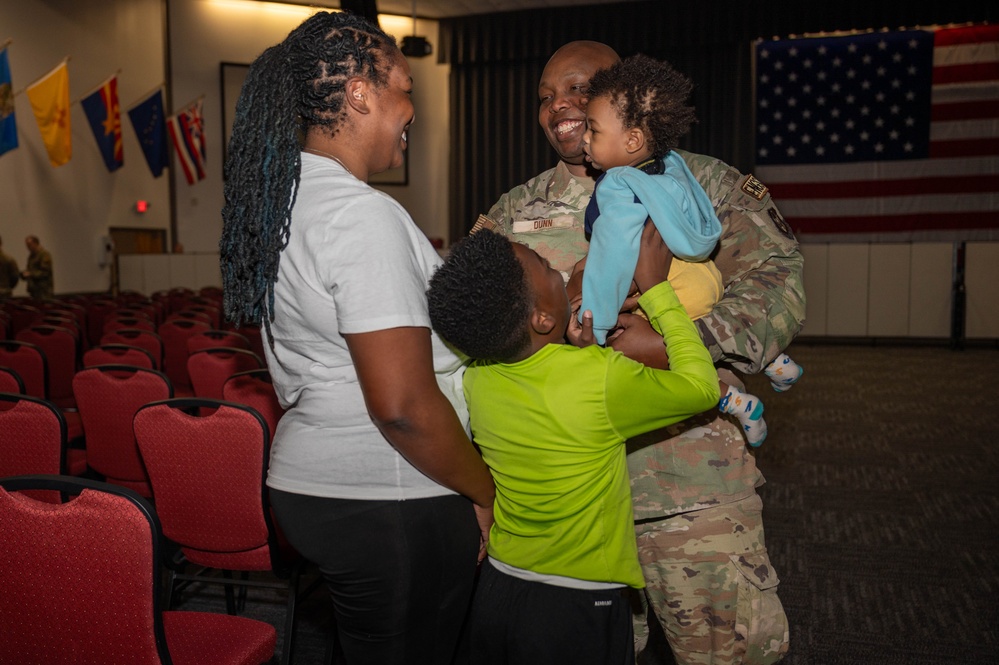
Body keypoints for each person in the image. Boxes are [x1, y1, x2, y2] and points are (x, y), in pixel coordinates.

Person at [483, 40, 800, 664]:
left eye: (577, 88)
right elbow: (473, 327)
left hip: (692, 490)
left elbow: (778, 283)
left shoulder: (699, 184)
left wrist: (677, 343)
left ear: (623, 93)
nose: (559, 107)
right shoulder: (514, 214)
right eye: (546, 97)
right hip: (573, 506)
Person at [218, 12, 494, 665]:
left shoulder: (283, 202)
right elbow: (400, 404)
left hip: (314, 482)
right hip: (387, 491)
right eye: (403, 85)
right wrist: (484, 490)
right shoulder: (361, 216)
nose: (411, 107)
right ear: (361, 94)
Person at [428, 226, 720, 665]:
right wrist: (659, 290)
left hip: (498, 587)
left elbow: (538, 372)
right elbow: (701, 388)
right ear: (542, 319)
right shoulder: (599, 377)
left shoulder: (478, 378)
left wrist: (574, 346)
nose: (562, 272)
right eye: (548, 269)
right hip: (577, 602)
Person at [579, 54, 806, 447]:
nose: (583, 133)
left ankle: (734, 399)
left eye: (592, 127)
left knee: (671, 362)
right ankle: (774, 362)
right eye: (545, 96)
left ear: (631, 138)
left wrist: (596, 324)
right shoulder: (670, 170)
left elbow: (612, 255)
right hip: (703, 279)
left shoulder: (618, 186)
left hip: (672, 294)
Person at [21, 235, 53, 300]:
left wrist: (30, 274)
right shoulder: (31, 256)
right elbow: (30, 269)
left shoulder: (44, 255)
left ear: (36, 243)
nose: (28, 247)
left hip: (43, 291)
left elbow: (45, 272)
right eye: (27, 245)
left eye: (29, 245)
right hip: (34, 290)